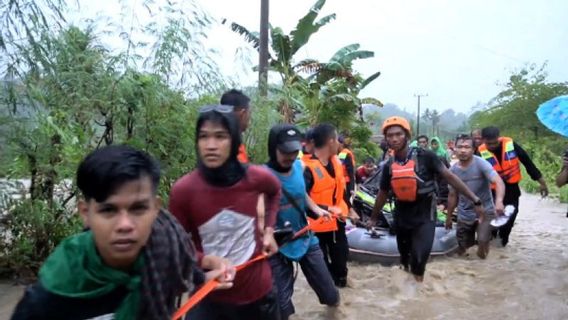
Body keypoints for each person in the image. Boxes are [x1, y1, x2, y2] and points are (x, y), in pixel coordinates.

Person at [11, 145, 233, 320]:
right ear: (85, 213)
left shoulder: (164, 255)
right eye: (108, 210)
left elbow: (192, 274)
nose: (125, 224)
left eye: (138, 208)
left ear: (156, 208)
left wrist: (207, 277)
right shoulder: (52, 293)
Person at [169, 105, 281, 319]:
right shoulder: (184, 190)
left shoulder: (255, 178)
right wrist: (206, 260)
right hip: (209, 298)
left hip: (259, 294)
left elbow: (274, 191)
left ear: (234, 141)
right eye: (204, 137)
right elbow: (176, 247)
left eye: (220, 136)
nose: (211, 146)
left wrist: (268, 230)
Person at [366, 117, 485, 282]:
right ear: (386, 139)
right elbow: (383, 193)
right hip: (402, 215)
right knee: (406, 260)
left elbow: (450, 177)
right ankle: (407, 290)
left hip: (424, 215)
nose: (394, 139)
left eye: (398, 134)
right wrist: (373, 218)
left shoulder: (426, 156)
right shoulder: (388, 165)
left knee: (420, 259)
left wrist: (475, 200)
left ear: (407, 135)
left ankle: (418, 290)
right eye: (390, 135)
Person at [266, 124, 340, 320]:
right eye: (285, 152)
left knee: (331, 294)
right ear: (272, 148)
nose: (290, 156)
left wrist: (317, 209)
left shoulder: (300, 166)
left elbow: (302, 194)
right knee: (280, 306)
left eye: (294, 151)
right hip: (277, 246)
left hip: (305, 238)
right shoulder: (262, 177)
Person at [478, 126, 549, 246]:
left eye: (495, 142)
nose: (492, 146)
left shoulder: (510, 145)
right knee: (492, 221)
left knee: (509, 219)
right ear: (483, 140)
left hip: (512, 189)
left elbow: (528, 163)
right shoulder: (479, 152)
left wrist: (542, 183)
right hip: (492, 192)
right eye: (489, 144)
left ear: (499, 137)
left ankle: (502, 242)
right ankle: (492, 243)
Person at [303, 123, 350, 288]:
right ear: (331, 141)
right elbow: (301, 201)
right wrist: (327, 209)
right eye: (337, 139)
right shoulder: (306, 168)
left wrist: (351, 211)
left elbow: (341, 189)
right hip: (317, 228)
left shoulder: (336, 162)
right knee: (324, 274)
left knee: (341, 271)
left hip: (338, 226)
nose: (339, 143)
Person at [445, 135, 506, 259]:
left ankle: (482, 266)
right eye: (460, 147)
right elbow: (452, 196)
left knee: (483, 242)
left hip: (486, 210)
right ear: (454, 149)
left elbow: (499, 182)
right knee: (463, 249)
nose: (463, 150)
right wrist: (449, 217)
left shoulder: (481, 164)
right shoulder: (452, 171)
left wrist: (499, 201)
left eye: (467, 147)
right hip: (464, 214)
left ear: (473, 149)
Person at [220, 89, 252, 163]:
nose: (249, 119)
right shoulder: (234, 149)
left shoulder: (215, 141)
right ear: (242, 114)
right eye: (249, 113)